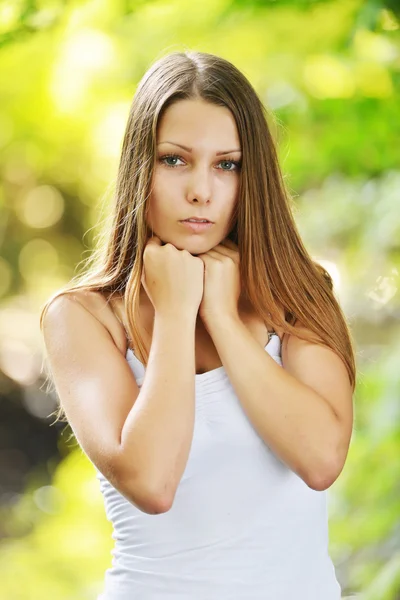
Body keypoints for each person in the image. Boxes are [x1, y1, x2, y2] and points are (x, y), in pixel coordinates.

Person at [40, 50, 356, 599]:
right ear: (142, 165)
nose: (201, 191)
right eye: (176, 160)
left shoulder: (298, 294)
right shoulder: (82, 318)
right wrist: (176, 311)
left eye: (226, 165)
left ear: (249, 177)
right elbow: (152, 481)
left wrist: (222, 317)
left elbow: (322, 459)